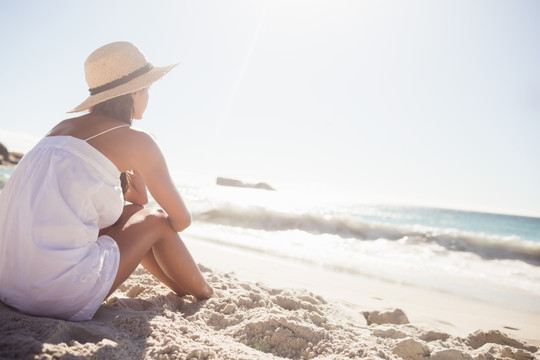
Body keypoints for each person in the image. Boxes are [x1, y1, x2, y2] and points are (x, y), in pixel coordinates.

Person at [0, 41, 213, 321]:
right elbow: (180, 220)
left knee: (135, 217)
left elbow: (135, 204)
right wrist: (142, 155)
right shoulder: (137, 142)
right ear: (135, 90)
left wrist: (135, 163)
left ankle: (179, 287)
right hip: (53, 294)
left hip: (9, 283)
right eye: (147, 89)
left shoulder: (57, 132)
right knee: (158, 219)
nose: (149, 95)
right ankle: (204, 293)